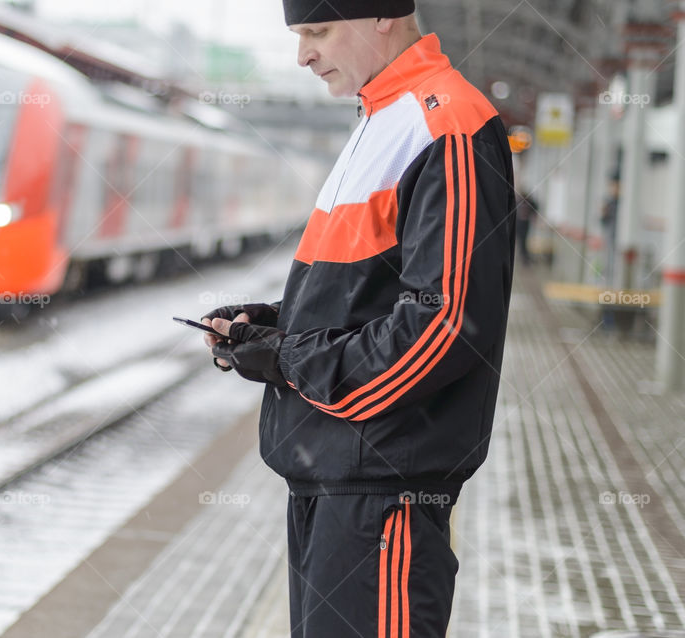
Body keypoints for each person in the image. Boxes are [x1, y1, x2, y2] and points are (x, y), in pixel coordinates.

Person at [201, 2, 516, 636]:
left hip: (382, 496)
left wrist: (288, 358)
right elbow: (366, 298)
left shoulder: (446, 124)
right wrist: (264, 328)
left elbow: (444, 326)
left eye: (317, 31)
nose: (304, 55)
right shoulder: (381, 122)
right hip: (335, 486)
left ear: (381, 16)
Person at [515, 190, 539, 266]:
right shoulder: (518, 202)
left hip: (525, 224)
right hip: (519, 224)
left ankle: (524, 258)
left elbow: (535, 208)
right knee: (520, 241)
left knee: (523, 241)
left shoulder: (530, 202)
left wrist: (533, 216)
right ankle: (523, 257)